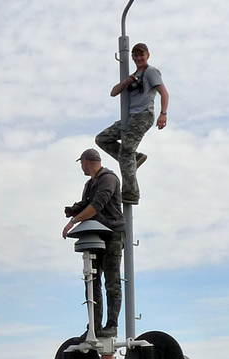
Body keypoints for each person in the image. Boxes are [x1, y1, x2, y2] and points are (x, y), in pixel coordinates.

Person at [95, 42, 169, 205]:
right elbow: (113, 92)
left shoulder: (151, 72)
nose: (138, 58)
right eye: (135, 55)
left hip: (143, 115)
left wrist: (163, 114)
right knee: (102, 139)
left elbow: (164, 93)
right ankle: (135, 158)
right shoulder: (134, 75)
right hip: (129, 118)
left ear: (147, 55)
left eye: (141, 55)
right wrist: (125, 82)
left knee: (126, 152)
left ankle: (131, 192)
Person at [62, 148, 124, 338]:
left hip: (112, 234)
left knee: (112, 282)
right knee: (92, 281)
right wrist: (74, 209)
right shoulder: (90, 184)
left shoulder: (108, 179)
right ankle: (95, 326)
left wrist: (73, 221)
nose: (81, 166)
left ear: (86, 161)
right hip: (96, 236)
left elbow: (97, 205)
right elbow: (87, 203)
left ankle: (111, 325)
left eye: (81, 162)